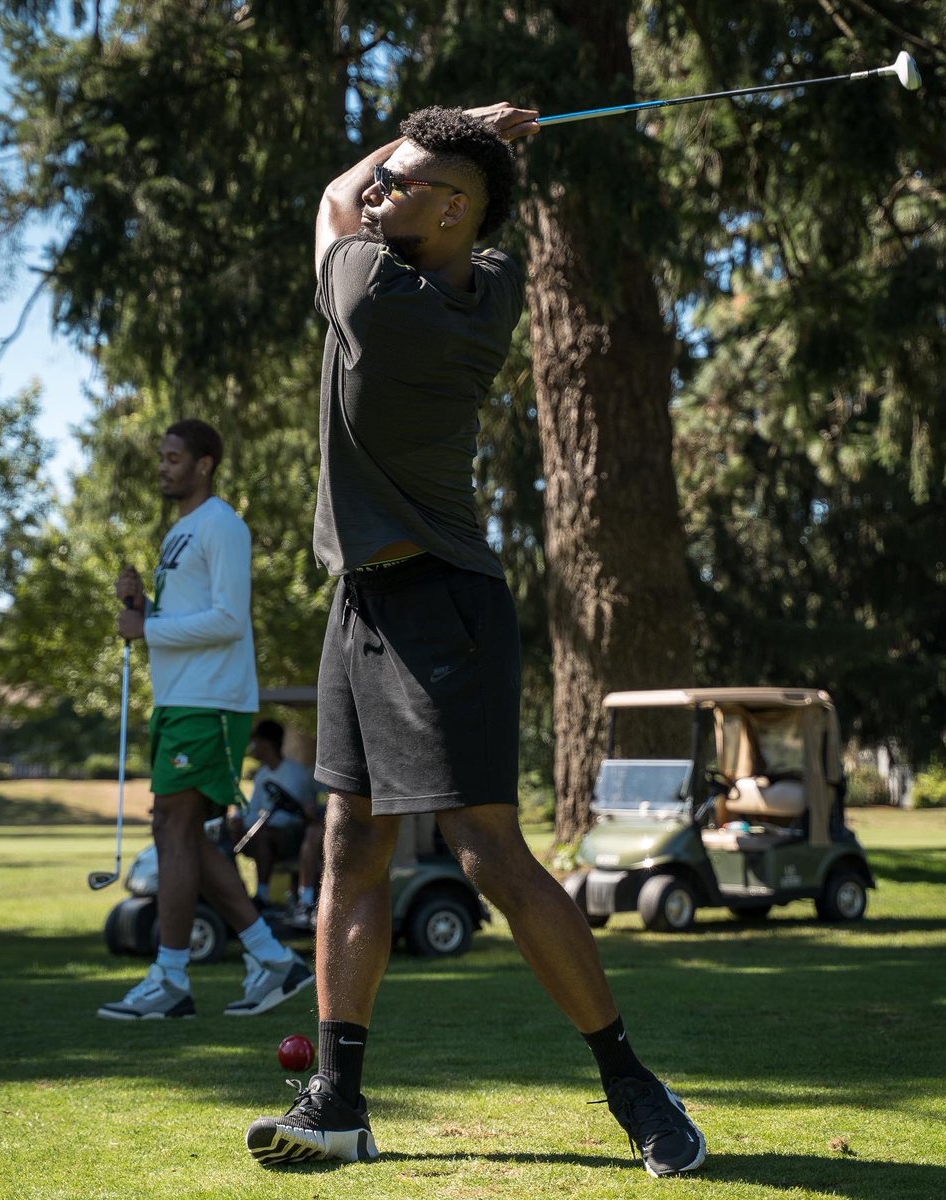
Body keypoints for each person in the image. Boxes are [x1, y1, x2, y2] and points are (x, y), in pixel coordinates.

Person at [245, 106, 705, 1177]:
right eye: (387, 179)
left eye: (400, 183)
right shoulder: (486, 281)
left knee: (485, 853)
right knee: (350, 845)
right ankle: (341, 1102)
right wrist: (460, 143)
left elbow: (327, 195)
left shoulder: (372, 294)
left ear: (449, 212)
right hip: (359, 601)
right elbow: (426, 203)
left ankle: (632, 1084)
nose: (375, 192)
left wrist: (444, 124)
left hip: (440, 605)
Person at [97, 418, 313, 1020]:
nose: (163, 466)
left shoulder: (223, 525)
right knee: (180, 832)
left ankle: (169, 978)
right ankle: (272, 959)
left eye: (173, 457)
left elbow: (228, 620)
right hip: (177, 699)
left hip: (212, 701)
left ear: (205, 464)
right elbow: (181, 618)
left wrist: (149, 627)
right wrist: (141, 605)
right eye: (161, 457)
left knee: (174, 827)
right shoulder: (179, 534)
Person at [233, 719, 324, 924]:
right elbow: (254, 808)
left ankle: (263, 895)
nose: (252, 748)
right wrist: (239, 820)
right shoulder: (262, 774)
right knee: (237, 836)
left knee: (265, 834)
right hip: (270, 833)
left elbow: (301, 813)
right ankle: (239, 895)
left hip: (295, 836)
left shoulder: (295, 773)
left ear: (266, 744)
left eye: (255, 742)